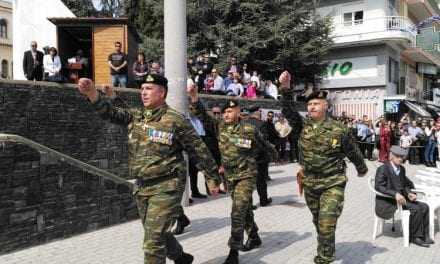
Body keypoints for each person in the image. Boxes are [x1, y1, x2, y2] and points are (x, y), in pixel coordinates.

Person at [77, 74, 221, 264]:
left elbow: (198, 149)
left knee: (153, 242)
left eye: (149, 89)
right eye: (142, 89)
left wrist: (212, 178)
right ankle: (180, 257)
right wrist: (92, 93)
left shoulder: (175, 120)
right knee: (155, 230)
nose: (144, 93)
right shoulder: (136, 116)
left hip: (167, 185)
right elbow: (110, 113)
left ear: (162, 93)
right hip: (143, 185)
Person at [279, 71, 367, 264]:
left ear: (326, 107)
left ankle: (324, 258)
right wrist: (285, 88)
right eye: (309, 104)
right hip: (310, 182)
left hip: (333, 182)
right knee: (319, 221)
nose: (311, 107)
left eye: (316, 104)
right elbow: (288, 110)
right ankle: (327, 246)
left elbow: (353, 152)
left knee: (326, 223)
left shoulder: (339, 129)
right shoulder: (302, 126)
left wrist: (362, 169)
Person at [188, 84, 277, 264]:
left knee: (237, 211)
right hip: (230, 177)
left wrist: (261, 163)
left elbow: (268, 149)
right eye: (224, 112)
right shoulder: (219, 126)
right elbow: (203, 116)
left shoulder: (250, 130)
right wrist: (195, 98)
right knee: (243, 210)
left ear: (238, 112)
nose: (226, 114)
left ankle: (233, 252)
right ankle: (254, 236)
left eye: (230, 111)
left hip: (246, 175)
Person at [375, 146, 433, 247]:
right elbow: (379, 186)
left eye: (402, 157)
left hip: (403, 199)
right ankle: (415, 237)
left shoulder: (401, 169)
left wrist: (409, 193)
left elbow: (405, 185)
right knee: (416, 209)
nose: (401, 159)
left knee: (425, 206)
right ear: (391, 156)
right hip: (390, 201)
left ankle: (424, 235)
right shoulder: (383, 169)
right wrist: (395, 194)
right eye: (398, 157)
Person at [247, 106, 274, 207]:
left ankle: (249, 204)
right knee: (261, 181)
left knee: (247, 182)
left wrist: (248, 149)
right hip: (260, 158)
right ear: (257, 112)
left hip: (247, 158)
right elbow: (264, 141)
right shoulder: (262, 124)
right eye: (260, 111)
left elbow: (239, 141)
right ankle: (263, 201)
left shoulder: (242, 123)